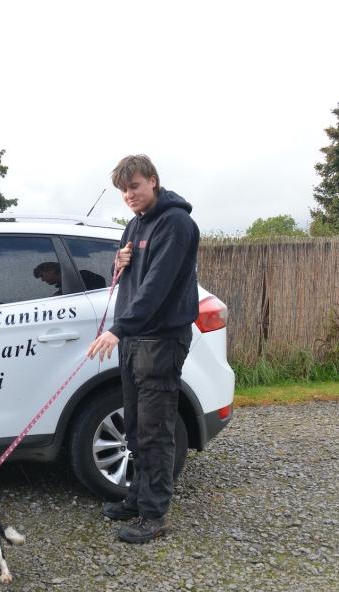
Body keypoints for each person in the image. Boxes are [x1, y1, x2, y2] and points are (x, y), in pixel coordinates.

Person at [86, 155, 200, 544]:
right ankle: (136, 498)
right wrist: (119, 263)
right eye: (123, 190)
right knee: (133, 424)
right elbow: (128, 279)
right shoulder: (135, 225)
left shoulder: (176, 223)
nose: (129, 195)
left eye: (134, 186)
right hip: (135, 341)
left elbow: (157, 286)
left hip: (160, 340)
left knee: (155, 430)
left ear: (152, 181)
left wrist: (118, 329)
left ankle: (154, 515)